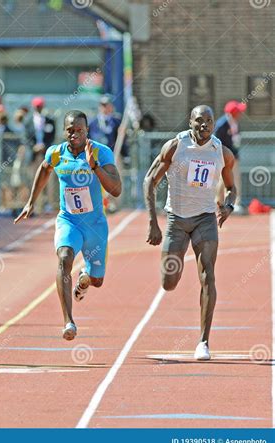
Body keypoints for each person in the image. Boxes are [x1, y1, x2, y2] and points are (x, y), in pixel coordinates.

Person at [15, 110, 121, 340]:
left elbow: (116, 190)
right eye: (70, 131)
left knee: (98, 281)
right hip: (69, 220)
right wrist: (31, 202)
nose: (74, 135)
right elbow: (44, 169)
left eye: (79, 130)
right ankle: (68, 321)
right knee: (64, 257)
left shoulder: (101, 153)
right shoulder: (56, 153)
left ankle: (86, 279)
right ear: (65, 131)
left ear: (87, 130)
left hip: (94, 224)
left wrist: (95, 168)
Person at [143, 105, 236, 361]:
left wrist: (228, 206)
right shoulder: (176, 146)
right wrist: (153, 222)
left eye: (208, 121)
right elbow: (150, 180)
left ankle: (203, 341)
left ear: (214, 124)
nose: (203, 125)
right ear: (190, 122)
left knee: (208, 275)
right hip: (177, 219)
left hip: (205, 219)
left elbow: (231, 187)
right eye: (199, 121)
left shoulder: (222, 152)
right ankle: (178, 261)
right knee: (168, 283)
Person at [25, 96, 56, 213]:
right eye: (37, 106)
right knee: (33, 180)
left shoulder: (50, 120)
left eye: (40, 106)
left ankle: (48, 203)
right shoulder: (28, 121)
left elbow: (52, 137)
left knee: (48, 179)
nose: (38, 108)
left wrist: (44, 147)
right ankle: (34, 205)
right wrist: (33, 147)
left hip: (46, 154)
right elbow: (25, 137)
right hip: (33, 155)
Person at [214, 100, 246, 213]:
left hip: (233, 157)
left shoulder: (234, 123)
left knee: (235, 179)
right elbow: (217, 142)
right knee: (223, 180)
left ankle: (235, 203)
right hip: (224, 158)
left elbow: (235, 140)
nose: (241, 114)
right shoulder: (222, 124)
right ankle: (219, 203)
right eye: (238, 111)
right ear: (233, 112)